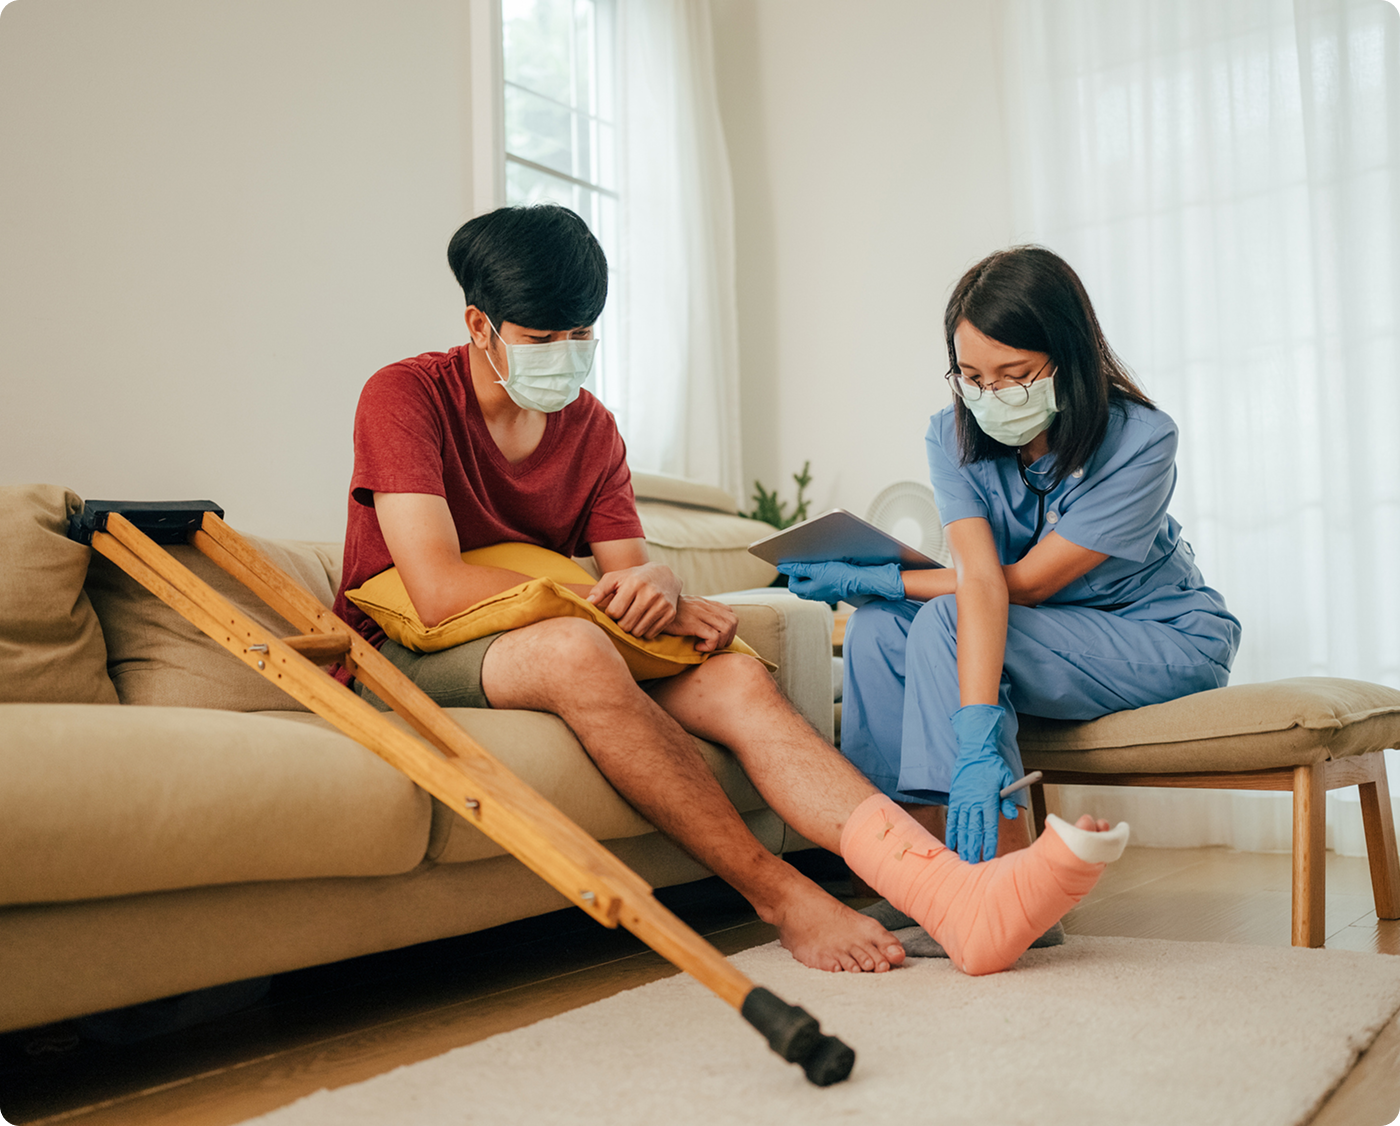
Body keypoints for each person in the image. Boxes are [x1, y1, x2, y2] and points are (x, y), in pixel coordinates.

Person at [332, 210, 1131, 977]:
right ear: (480, 327)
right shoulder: (406, 397)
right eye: (544, 339)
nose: (567, 357)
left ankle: (947, 894)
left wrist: (658, 583)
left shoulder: (592, 427)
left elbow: (630, 572)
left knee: (740, 677)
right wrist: (615, 601)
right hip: (409, 648)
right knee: (577, 650)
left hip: (542, 623)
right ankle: (785, 898)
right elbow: (434, 588)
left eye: (582, 336)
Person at [783, 246, 1241, 865]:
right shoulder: (950, 435)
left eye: (1014, 373)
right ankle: (907, 872)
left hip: (1160, 638)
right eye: (972, 376)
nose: (990, 393)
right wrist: (882, 591)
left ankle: (1002, 881)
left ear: (1069, 356)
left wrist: (890, 578)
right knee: (878, 629)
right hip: (1042, 637)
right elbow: (978, 577)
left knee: (941, 619)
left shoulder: (1143, 440)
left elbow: (1021, 584)